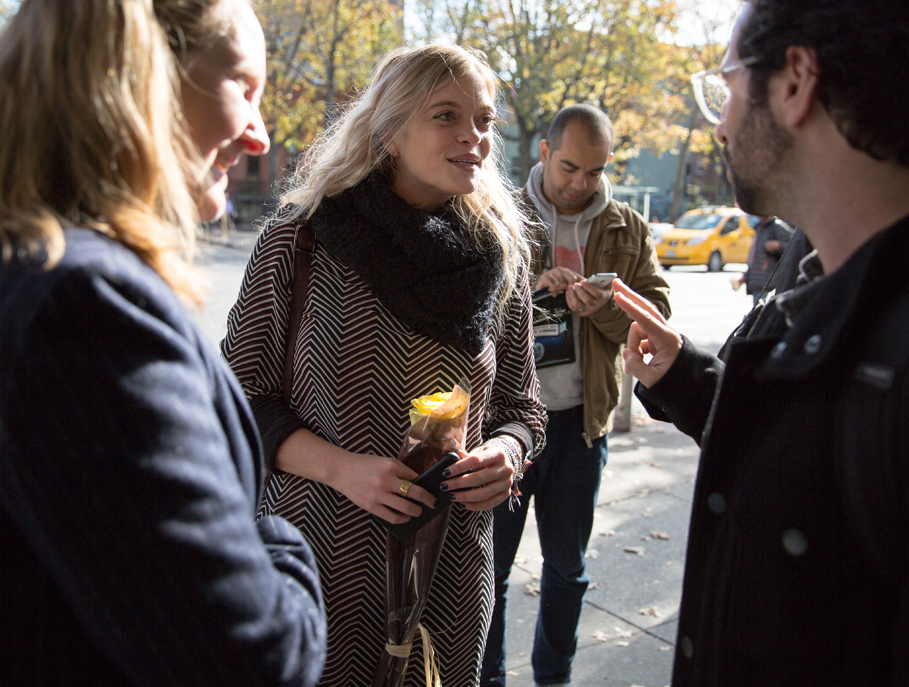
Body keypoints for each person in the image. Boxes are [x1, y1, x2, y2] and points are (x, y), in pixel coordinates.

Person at [613, 1, 909, 685]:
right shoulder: (848, 281)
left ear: (796, 81)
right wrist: (689, 378)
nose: (718, 124)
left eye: (726, 85)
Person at [0, 1, 325, 685]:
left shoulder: (38, 270)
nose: (261, 135)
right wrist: (274, 538)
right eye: (243, 84)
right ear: (138, 66)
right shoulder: (86, 308)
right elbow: (258, 656)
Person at [220, 44, 547, 686]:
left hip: (449, 569)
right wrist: (345, 469)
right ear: (391, 131)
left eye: (483, 120)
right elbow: (234, 400)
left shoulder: (500, 256)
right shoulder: (305, 234)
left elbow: (523, 408)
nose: (473, 137)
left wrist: (508, 453)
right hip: (319, 555)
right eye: (446, 116)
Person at [481, 104, 671, 687]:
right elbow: (464, 318)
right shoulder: (496, 215)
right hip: (505, 425)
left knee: (567, 569)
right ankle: (486, 678)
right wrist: (530, 294)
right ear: (543, 152)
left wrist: (608, 308)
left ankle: (553, 678)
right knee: (492, 571)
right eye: (568, 167)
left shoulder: (626, 228)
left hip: (580, 427)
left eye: (593, 171)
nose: (579, 183)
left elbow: (658, 323)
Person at [731, 215, 793, 304]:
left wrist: (778, 245)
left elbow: (793, 248)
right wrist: (744, 278)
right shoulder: (759, 228)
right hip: (757, 284)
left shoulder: (777, 227)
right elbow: (754, 259)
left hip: (770, 285)